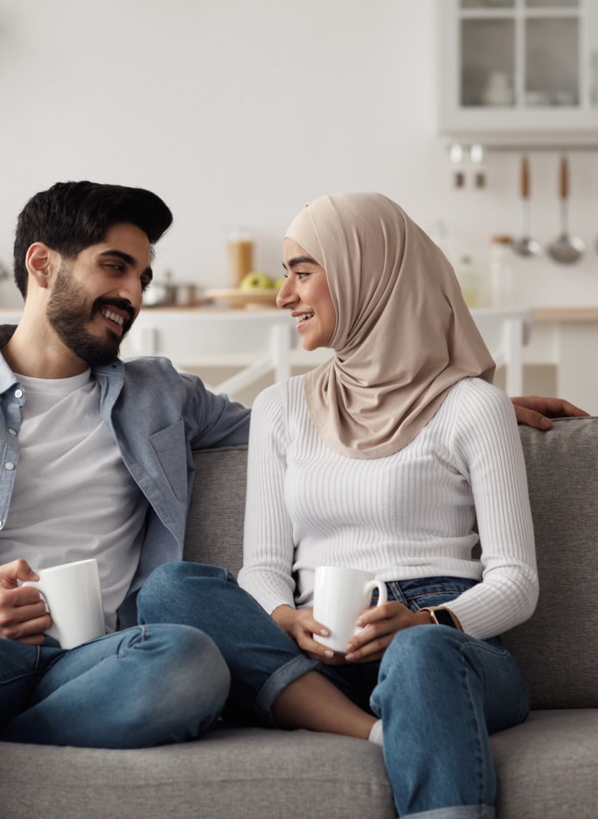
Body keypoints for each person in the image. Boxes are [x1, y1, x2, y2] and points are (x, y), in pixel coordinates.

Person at [0, 181, 581, 817]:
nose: (132, 295)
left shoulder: (161, 395)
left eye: (143, 277)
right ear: (41, 264)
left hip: (96, 663)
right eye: (116, 268)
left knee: (189, 656)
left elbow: (336, 431)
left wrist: (453, 396)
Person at [139, 192, 542, 818]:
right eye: (285, 275)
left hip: (442, 642)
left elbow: (517, 583)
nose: (283, 295)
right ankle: (369, 727)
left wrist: (429, 623)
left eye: (302, 273)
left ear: (368, 275)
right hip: (317, 647)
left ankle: (400, 714)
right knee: (169, 591)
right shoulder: (281, 407)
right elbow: (265, 564)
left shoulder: (473, 408)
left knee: (416, 657)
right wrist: (282, 617)